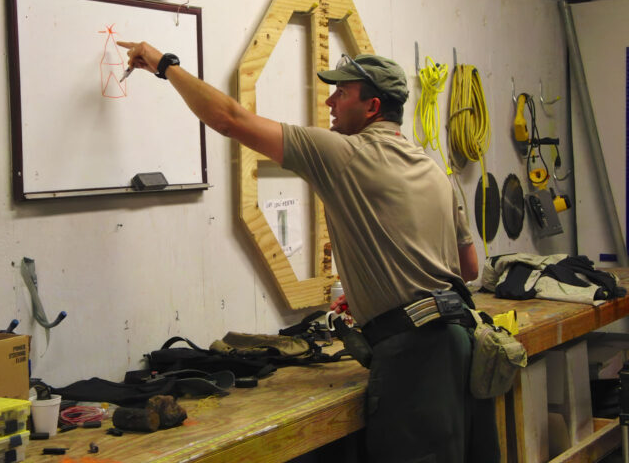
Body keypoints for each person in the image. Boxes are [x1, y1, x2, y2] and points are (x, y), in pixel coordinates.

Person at [117, 41, 499, 463]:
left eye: (342, 93)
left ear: (371, 107)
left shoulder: (343, 153)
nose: (330, 100)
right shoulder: (433, 170)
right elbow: (467, 268)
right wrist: (380, 287)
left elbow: (228, 119)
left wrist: (163, 64)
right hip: (462, 344)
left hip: (414, 359)